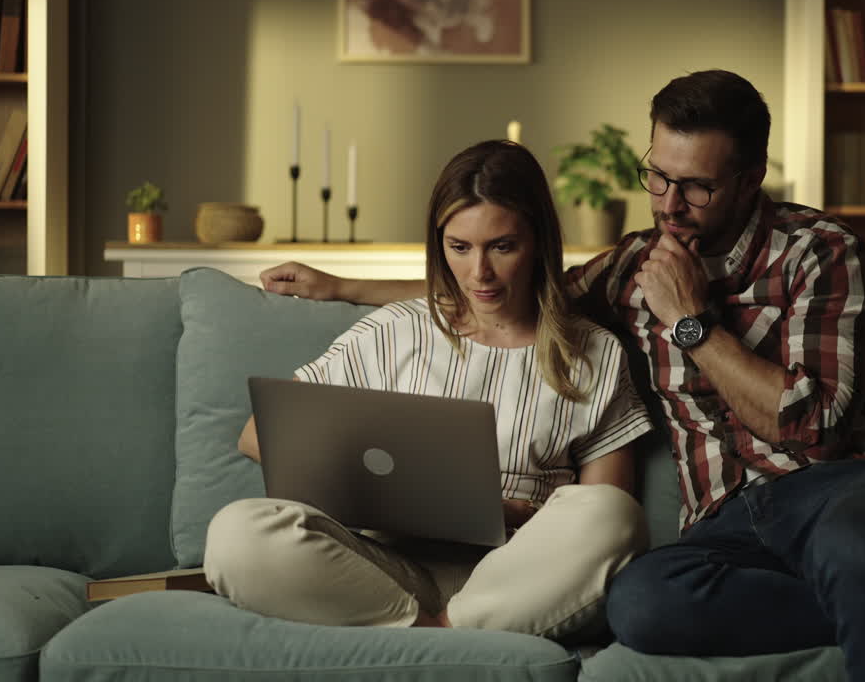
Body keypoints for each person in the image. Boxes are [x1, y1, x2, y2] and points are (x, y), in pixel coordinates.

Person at [258, 70, 865, 681]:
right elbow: (504, 289)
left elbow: (816, 431)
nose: (670, 204)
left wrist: (692, 323)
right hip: (725, 523)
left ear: (751, 175)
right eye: (659, 176)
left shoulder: (822, 252)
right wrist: (344, 285)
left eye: (698, 185)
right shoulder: (633, 262)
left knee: (855, 550)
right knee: (642, 605)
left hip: (842, 488)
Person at [204, 139, 652, 641]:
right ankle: (438, 632)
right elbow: (256, 436)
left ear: (538, 242)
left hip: (518, 576)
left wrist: (503, 514)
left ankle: (440, 630)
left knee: (615, 516)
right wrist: (399, 494)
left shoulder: (596, 353)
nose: (478, 273)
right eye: (459, 247)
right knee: (236, 532)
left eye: (502, 246)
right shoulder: (394, 330)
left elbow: (605, 510)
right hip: (377, 570)